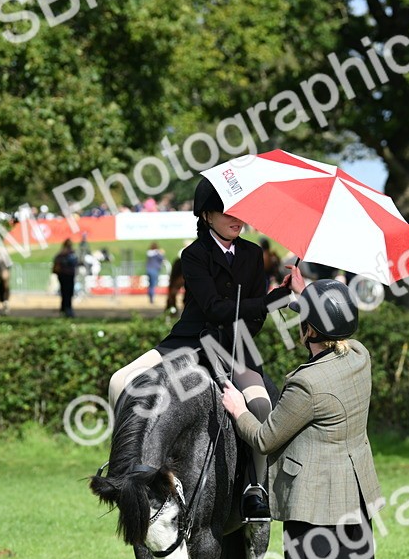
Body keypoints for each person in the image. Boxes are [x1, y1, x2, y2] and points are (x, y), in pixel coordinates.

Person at [220, 278, 382, 559]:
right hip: (357, 498)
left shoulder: (307, 385)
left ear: (310, 330)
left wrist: (237, 409)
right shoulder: (360, 356)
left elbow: (265, 437)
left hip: (314, 508)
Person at [107, 177, 292, 520]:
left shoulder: (253, 254)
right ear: (207, 215)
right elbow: (213, 309)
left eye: (240, 212)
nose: (237, 219)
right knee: (119, 380)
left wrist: (263, 308)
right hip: (190, 340)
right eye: (228, 212)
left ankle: (256, 487)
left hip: (235, 346)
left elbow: (254, 319)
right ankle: (123, 468)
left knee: (261, 404)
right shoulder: (193, 255)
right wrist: (270, 301)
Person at [53, 238, 79, 317]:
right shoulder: (67, 254)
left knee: (66, 292)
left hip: (65, 275)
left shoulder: (63, 254)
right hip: (66, 275)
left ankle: (65, 308)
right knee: (67, 292)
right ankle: (67, 309)